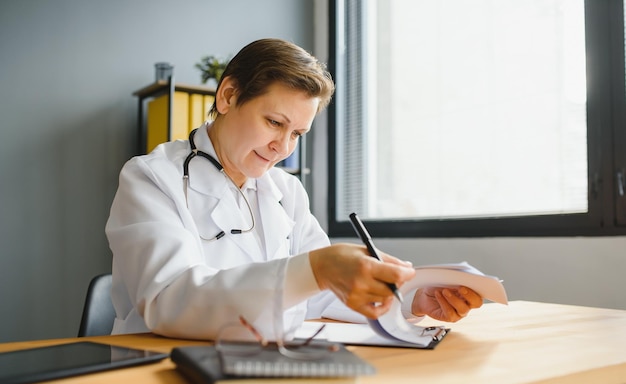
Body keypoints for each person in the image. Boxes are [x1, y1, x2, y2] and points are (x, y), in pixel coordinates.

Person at [105, 38, 483, 341]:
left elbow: (323, 290)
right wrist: (315, 268)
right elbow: (170, 303)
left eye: (297, 134)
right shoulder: (151, 179)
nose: (283, 148)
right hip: (167, 382)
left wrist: (412, 300)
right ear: (228, 96)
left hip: (272, 371)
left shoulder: (285, 190)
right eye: (273, 122)